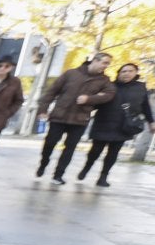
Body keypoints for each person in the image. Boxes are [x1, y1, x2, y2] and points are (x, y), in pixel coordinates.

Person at [35, 51, 115, 183]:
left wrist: (89, 99)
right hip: (59, 116)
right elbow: (52, 92)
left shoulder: (104, 81)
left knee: (70, 148)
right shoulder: (71, 73)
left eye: (108, 64)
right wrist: (43, 110)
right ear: (95, 60)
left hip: (80, 119)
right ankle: (44, 163)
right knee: (49, 143)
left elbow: (109, 94)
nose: (106, 66)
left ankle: (58, 175)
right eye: (104, 62)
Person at [78, 62, 155, 187]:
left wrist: (151, 121)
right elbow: (96, 102)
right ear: (119, 73)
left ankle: (103, 177)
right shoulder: (109, 86)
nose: (127, 73)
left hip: (124, 126)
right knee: (95, 151)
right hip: (104, 122)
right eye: (123, 71)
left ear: (136, 73)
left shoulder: (140, 88)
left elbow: (145, 106)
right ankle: (86, 168)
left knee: (113, 153)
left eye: (130, 71)